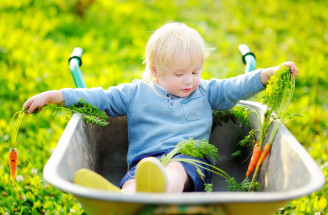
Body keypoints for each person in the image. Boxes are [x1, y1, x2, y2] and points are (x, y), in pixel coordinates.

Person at [23, 22, 298, 194]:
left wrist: (265, 75)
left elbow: (234, 87)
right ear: (155, 70)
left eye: (195, 71)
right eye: (179, 74)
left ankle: (160, 193)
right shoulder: (135, 93)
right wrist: (55, 95)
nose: (189, 80)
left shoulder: (205, 92)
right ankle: (124, 201)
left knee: (175, 170)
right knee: (136, 179)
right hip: (145, 163)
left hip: (190, 161)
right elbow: (100, 99)